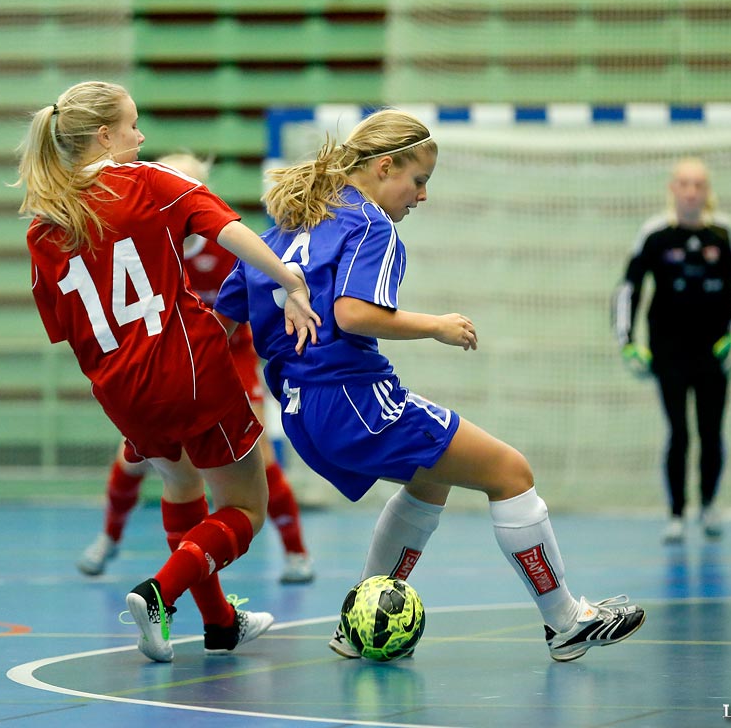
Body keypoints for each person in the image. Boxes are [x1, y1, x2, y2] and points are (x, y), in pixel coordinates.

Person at [216, 108, 645, 663]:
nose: (421, 197)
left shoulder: (283, 228)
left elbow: (221, 317)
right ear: (385, 166)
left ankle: (356, 626)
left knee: (430, 481)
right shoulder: (370, 224)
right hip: (354, 398)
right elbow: (351, 314)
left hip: (300, 412)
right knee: (511, 473)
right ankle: (564, 621)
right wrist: (437, 326)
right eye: (419, 181)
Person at [16, 82, 321, 663]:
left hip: (120, 391)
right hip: (189, 371)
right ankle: (160, 593)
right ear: (104, 135)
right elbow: (229, 230)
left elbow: (63, 328)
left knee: (181, 487)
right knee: (245, 509)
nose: (142, 136)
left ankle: (220, 623)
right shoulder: (151, 182)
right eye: (133, 125)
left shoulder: (44, 227)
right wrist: (292, 281)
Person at [76, 152, 316, 587]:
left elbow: (249, 303)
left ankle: (296, 550)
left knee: (257, 455)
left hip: (226, 354)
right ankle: (109, 537)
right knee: (134, 459)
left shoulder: (225, 245)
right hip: (163, 363)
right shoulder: (139, 242)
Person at [612, 157, 731, 545]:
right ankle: (676, 513)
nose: (691, 191)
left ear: (707, 191)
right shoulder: (655, 235)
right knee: (680, 432)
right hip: (669, 353)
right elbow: (629, 290)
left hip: (713, 354)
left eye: (698, 185)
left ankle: (708, 505)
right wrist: (627, 342)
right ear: (673, 189)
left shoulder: (722, 236)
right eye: (684, 184)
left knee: (711, 431)